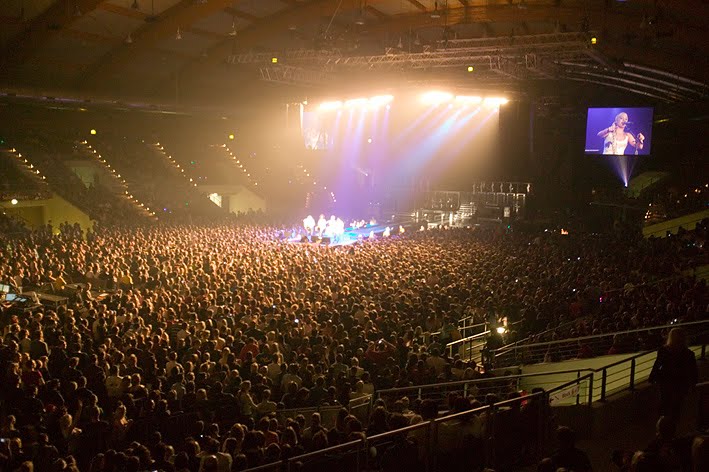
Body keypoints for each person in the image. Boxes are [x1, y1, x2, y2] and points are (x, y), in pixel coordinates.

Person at [649, 328, 698, 422]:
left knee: (664, 406)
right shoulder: (689, 354)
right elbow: (693, 371)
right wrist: (692, 384)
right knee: (676, 408)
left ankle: (663, 427)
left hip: (666, 383)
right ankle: (673, 427)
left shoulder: (664, 350)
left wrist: (652, 378)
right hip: (681, 385)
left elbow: (657, 365)